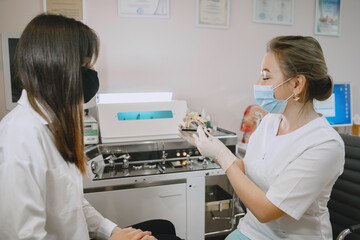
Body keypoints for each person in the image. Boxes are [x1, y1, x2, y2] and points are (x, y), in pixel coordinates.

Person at [0, 14, 178, 240]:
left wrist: (113, 232)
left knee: (164, 228)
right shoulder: (20, 138)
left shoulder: (53, 125)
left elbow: (73, 204)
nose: (92, 74)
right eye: (85, 65)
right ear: (58, 66)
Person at [179, 36, 345, 240]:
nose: (258, 84)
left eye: (265, 78)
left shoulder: (324, 144)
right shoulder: (270, 122)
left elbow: (267, 211)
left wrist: (222, 155)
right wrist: (206, 146)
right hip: (251, 231)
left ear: (297, 84)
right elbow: (247, 171)